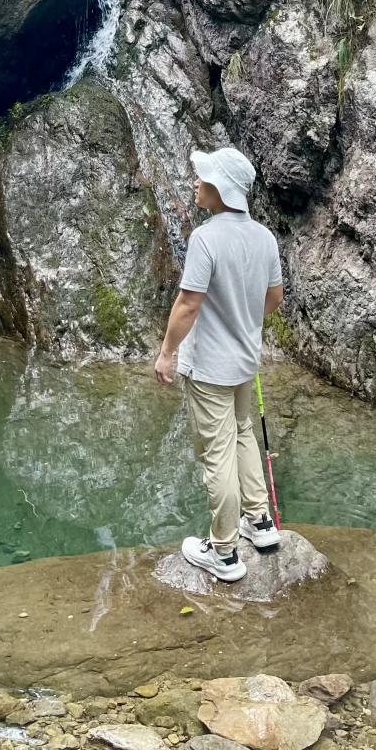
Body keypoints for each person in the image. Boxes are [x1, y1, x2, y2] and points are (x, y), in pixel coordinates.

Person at [154, 146, 284, 582]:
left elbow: (188, 304)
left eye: (202, 177)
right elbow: (274, 300)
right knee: (243, 434)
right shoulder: (265, 238)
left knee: (217, 454)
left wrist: (167, 352)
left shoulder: (206, 239)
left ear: (221, 190)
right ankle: (260, 523)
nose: (195, 182)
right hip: (246, 363)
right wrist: (243, 324)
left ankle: (224, 552)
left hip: (209, 367)